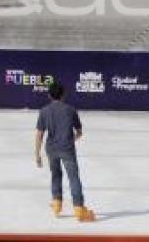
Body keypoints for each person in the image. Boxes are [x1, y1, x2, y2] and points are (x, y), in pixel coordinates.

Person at [35, 81, 95, 222]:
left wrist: (37, 154)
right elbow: (79, 132)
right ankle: (79, 208)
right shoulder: (71, 110)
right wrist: (70, 139)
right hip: (67, 149)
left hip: (51, 149)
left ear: (49, 95)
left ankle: (57, 203)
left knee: (56, 174)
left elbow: (39, 134)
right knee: (73, 177)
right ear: (63, 95)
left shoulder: (44, 111)